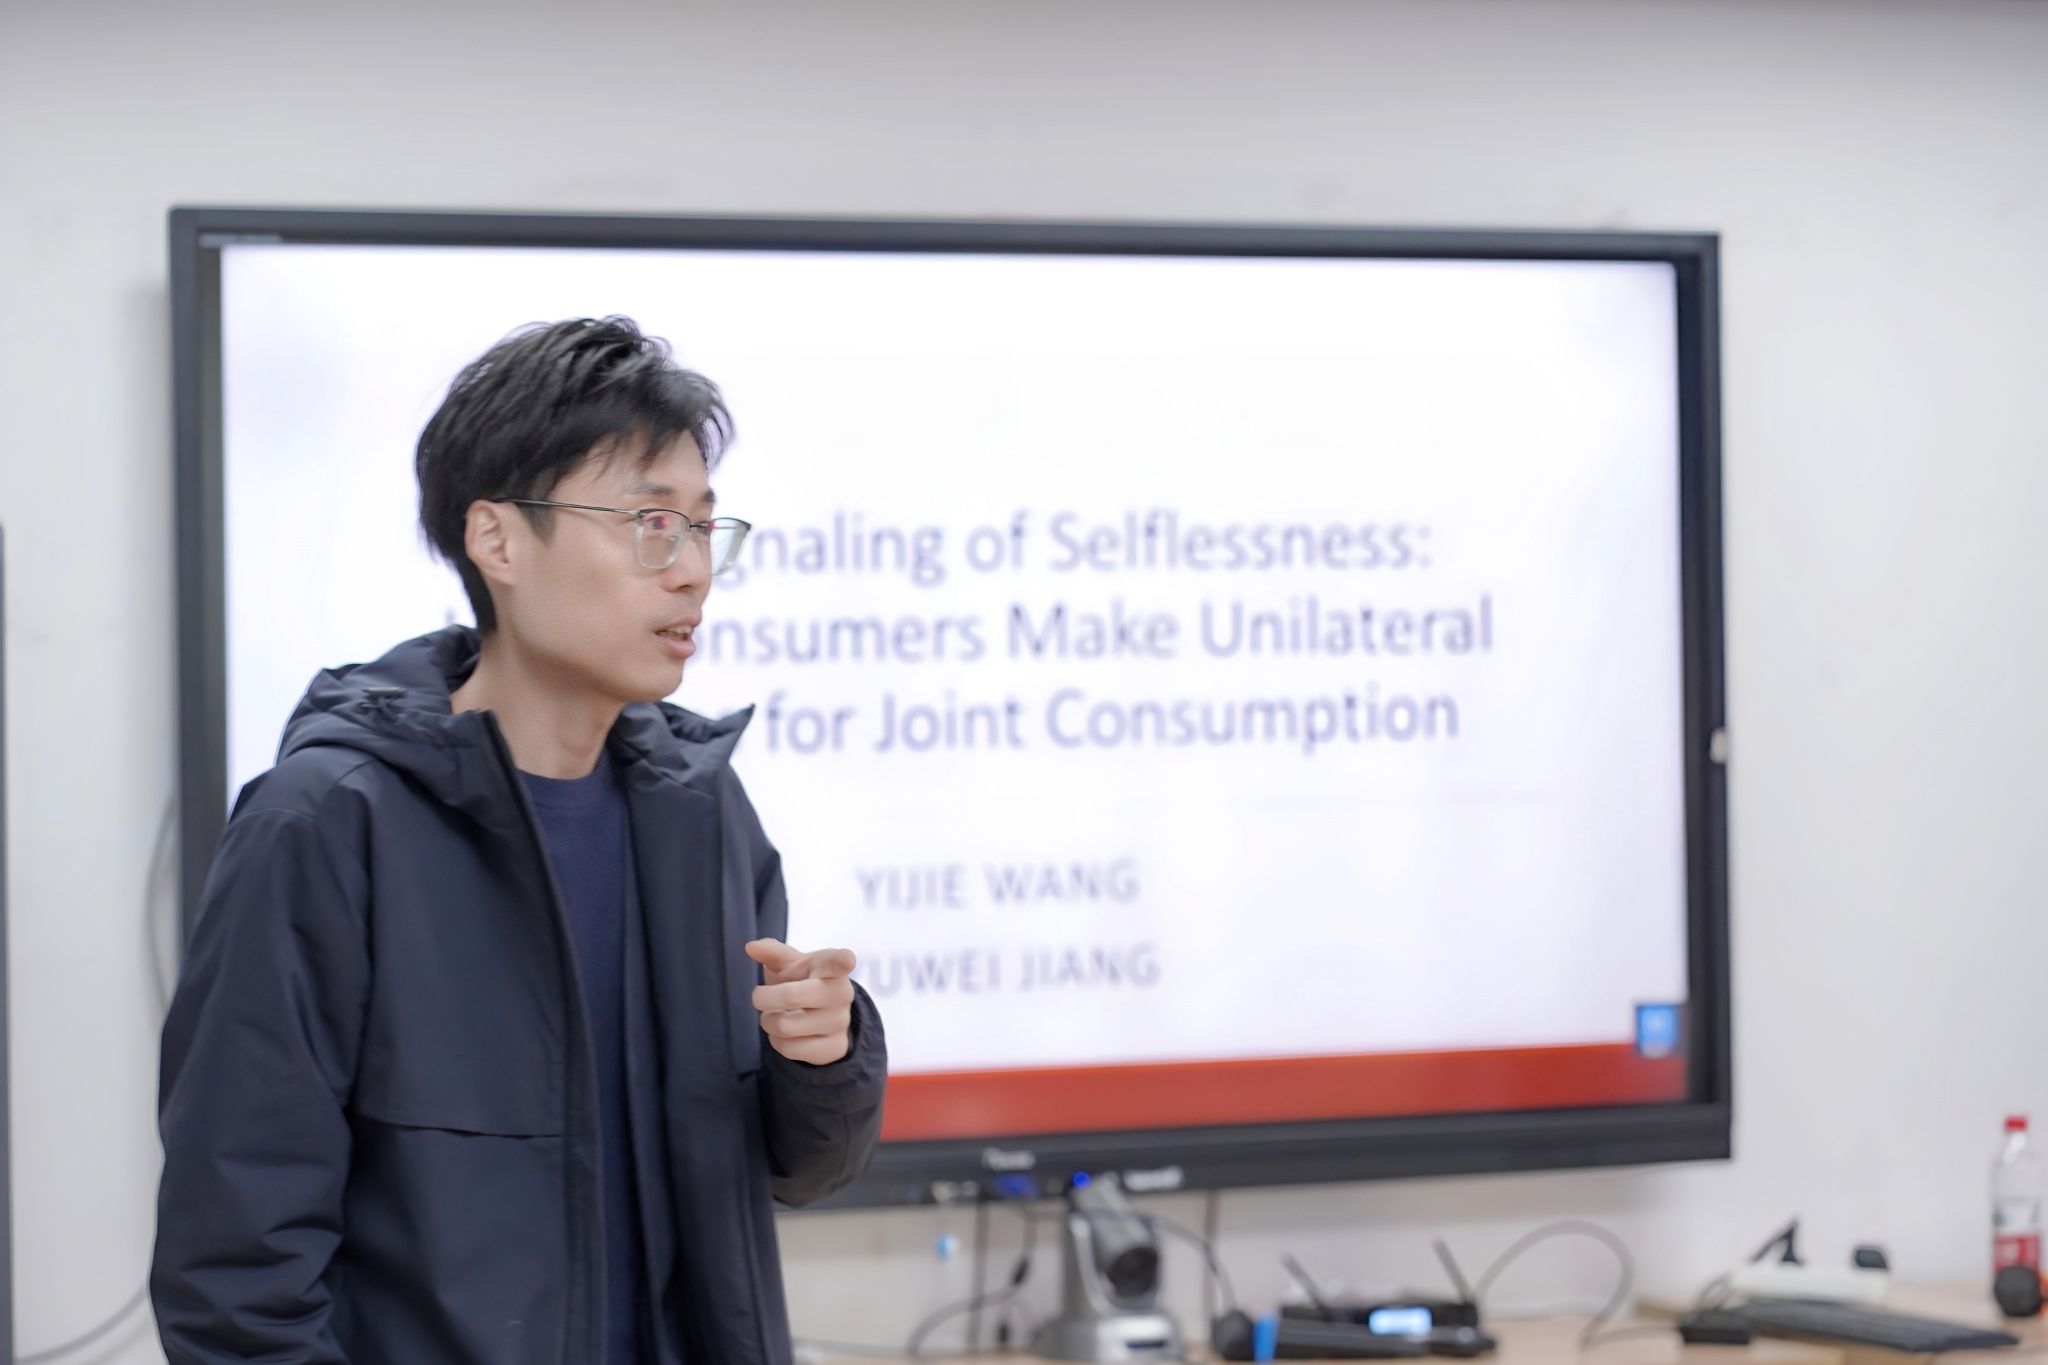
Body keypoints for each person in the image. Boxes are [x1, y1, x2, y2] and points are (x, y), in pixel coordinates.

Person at [152, 316, 887, 1365]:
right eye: (651, 523)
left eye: (703, 528)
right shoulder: (326, 825)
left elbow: (794, 1170)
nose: (692, 571)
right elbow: (236, 1272)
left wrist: (821, 1058)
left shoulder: (701, 811)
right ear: (497, 541)